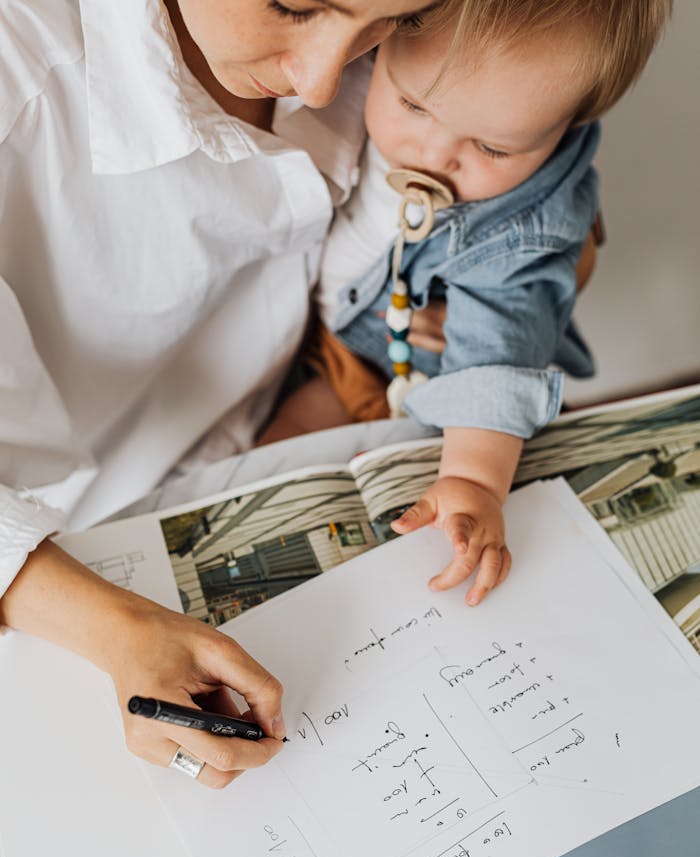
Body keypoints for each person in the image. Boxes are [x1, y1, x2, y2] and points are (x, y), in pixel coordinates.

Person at [0, 0, 451, 788]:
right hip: (46, 590)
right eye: (297, 6)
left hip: (271, 456)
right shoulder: (20, 76)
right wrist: (114, 629)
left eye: (392, 21)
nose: (318, 84)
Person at [259, 0, 672, 605]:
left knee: (317, 473)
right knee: (272, 466)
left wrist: (474, 480)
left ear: (568, 129)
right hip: (337, 343)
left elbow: (494, 354)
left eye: (492, 148)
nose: (434, 153)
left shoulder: (521, 231)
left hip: (427, 389)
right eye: (414, 106)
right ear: (381, 42)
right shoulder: (344, 62)